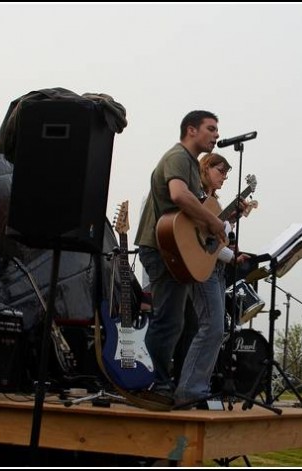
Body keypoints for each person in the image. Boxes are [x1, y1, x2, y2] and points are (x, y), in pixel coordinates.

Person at [134, 110, 227, 409]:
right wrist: (213, 223)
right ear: (191, 130)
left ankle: (168, 383)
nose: (216, 135)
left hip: (175, 248)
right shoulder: (178, 157)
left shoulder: (188, 163)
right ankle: (154, 381)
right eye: (210, 128)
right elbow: (178, 195)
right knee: (168, 321)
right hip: (160, 246)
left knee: (178, 321)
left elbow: (189, 214)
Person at [173, 153, 250, 409]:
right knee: (212, 327)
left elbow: (212, 241)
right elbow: (194, 238)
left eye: (227, 173)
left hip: (214, 268)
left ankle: (196, 389)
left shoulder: (214, 204)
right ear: (205, 168)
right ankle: (190, 390)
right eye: (220, 171)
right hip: (202, 269)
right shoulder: (195, 197)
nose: (224, 177)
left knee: (216, 330)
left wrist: (229, 255)